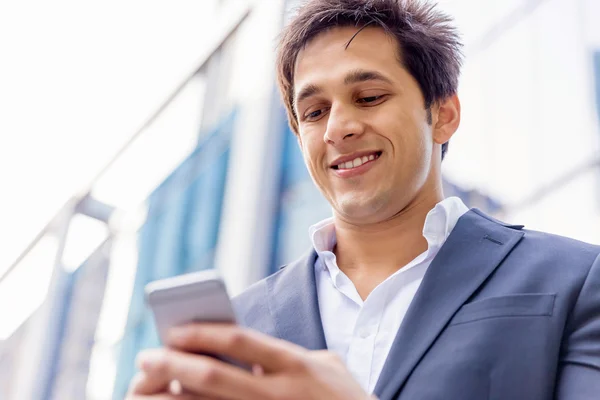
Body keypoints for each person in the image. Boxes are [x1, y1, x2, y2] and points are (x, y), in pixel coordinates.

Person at [126, 0, 600, 399]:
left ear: (443, 114)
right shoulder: (241, 327)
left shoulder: (576, 280)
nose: (338, 128)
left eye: (369, 97)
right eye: (314, 112)